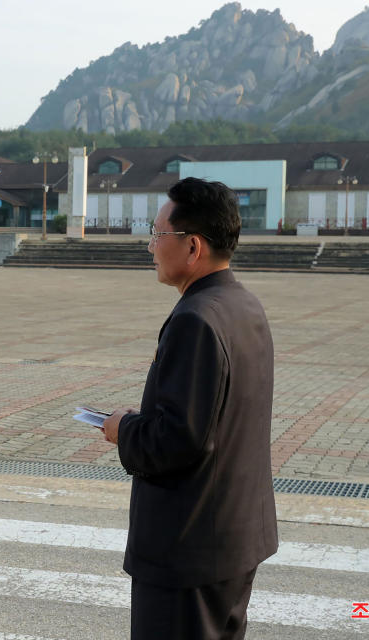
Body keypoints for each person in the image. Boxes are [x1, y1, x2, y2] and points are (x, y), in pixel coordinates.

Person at [102, 177, 278, 640]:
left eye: (158, 235)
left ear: (193, 246)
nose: (150, 248)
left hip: (189, 547)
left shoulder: (195, 320)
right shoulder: (243, 305)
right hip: (234, 535)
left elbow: (180, 439)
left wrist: (123, 429)